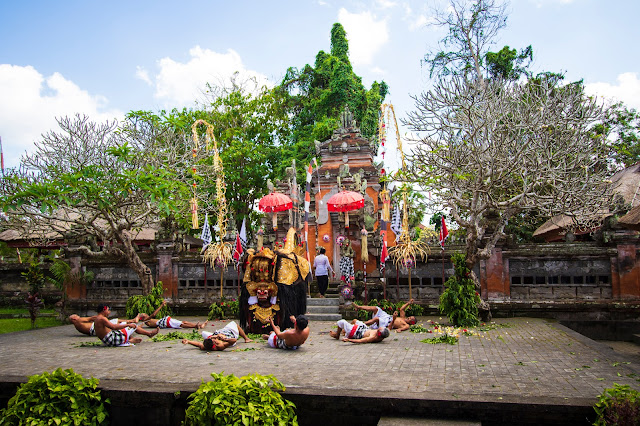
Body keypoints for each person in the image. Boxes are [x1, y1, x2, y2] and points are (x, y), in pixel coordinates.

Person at [92, 304, 158, 346]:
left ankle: (130, 339)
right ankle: (149, 334)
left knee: (125, 325)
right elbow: (113, 327)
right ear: (104, 310)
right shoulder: (102, 318)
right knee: (132, 325)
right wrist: (127, 325)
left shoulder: (97, 318)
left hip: (107, 340)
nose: (109, 312)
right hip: (111, 340)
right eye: (108, 310)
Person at [181, 321, 253, 351]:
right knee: (234, 324)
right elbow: (234, 340)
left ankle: (215, 334)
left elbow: (198, 344)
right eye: (213, 341)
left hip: (220, 332)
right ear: (214, 344)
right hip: (230, 335)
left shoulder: (205, 346)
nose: (214, 340)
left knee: (203, 333)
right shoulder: (220, 346)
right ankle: (246, 338)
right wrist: (225, 339)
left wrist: (188, 341)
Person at [142, 300, 206, 329]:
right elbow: (153, 314)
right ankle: (195, 326)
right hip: (166, 322)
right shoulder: (146, 320)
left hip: (167, 320)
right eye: (144, 314)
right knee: (181, 325)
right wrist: (161, 306)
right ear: (143, 317)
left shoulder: (147, 320)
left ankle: (199, 325)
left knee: (184, 322)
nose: (146, 314)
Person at [68, 313, 140, 336]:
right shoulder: (78, 321)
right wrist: (101, 317)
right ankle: (132, 321)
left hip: (93, 331)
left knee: (114, 322)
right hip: (94, 328)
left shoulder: (77, 326)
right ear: (74, 319)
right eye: (76, 316)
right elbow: (91, 318)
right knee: (115, 322)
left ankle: (132, 322)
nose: (79, 316)